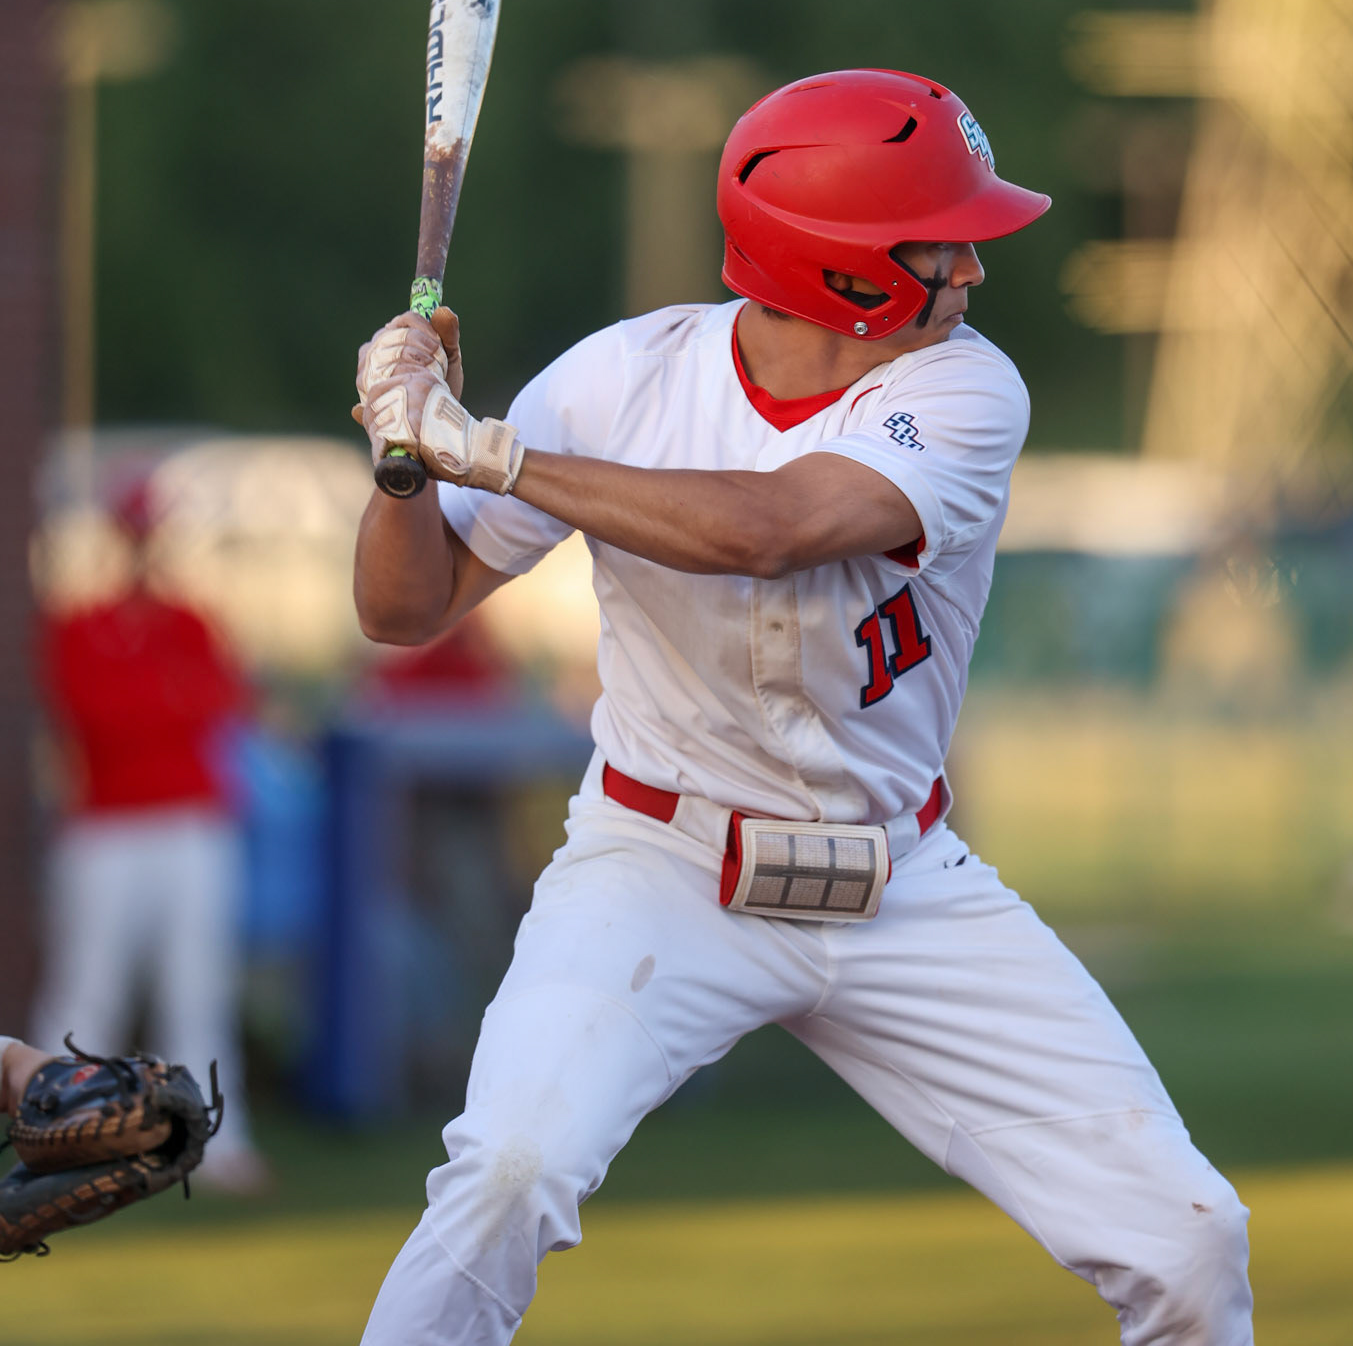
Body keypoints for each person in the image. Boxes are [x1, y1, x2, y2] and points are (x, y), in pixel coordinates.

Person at [351, 69, 1253, 1345]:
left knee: (1191, 1239)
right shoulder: (621, 378)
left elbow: (774, 529)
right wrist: (400, 455)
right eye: (942, 242)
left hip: (904, 880)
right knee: (506, 1170)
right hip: (659, 860)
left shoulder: (965, 388)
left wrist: (489, 448)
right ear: (845, 269)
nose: (973, 270)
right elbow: (405, 608)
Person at [32, 480, 267, 1193]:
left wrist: (159, 702)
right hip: (107, 823)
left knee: (197, 987)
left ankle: (216, 1145)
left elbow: (222, 702)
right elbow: (93, 715)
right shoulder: (80, 625)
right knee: (87, 987)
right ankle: (59, 1138)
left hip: (191, 822)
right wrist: (162, 701)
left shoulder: (187, 620)